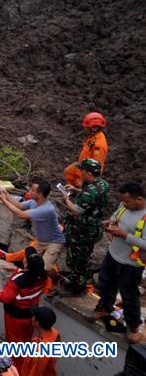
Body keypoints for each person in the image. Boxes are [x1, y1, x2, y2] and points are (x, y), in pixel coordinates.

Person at [94, 181, 146, 343]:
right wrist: (110, 224)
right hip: (113, 255)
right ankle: (104, 308)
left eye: (127, 201)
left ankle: (133, 326)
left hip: (131, 264)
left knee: (129, 295)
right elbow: (115, 216)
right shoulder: (125, 206)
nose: (124, 204)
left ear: (139, 199)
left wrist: (124, 235)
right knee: (105, 283)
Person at [0, 178, 65, 272]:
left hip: (54, 242)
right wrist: (6, 194)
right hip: (41, 241)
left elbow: (20, 214)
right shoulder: (34, 202)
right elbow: (19, 206)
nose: (29, 191)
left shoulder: (46, 209)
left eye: (32, 190)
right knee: (27, 262)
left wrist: (4, 200)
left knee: (43, 268)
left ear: (39, 195)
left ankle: (53, 276)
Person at [57, 159, 106, 295]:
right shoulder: (102, 184)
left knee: (78, 260)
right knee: (82, 258)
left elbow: (76, 210)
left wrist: (66, 198)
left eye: (82, 171)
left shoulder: (90, 190)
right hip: (90, 228)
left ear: (88, 173)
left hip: (82, 232)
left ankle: (77, 287)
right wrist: (77, 191)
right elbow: (91, 198)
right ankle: (75, 280)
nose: (80, 173)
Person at [0, 249, 48, 368]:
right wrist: (18, 271)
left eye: (26, 257)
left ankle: (16, 369)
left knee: (14, 344)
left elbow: (6, 298)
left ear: (27, 264)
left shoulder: (18, 280)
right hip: (31, 316)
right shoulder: (43, 276)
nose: (24, 257)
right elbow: (34, 277)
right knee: (24, 341)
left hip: (15, 317)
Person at [63, 112, 108, 188]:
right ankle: (72, 190)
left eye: (85, 127)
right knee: (68, 172)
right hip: (82, 164)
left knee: (81, 185)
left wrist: (86, 179)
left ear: (93, 128)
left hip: (87, 170)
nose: (84, 128)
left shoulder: (99, 145)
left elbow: (97, 165)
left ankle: (78, 194)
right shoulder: (94, 136)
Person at [21, 306, 59, 376]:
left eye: (33, 316)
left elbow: (36, 373)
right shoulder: (54, 333)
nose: (32, 317)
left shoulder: (40, 353)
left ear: (37, 322)